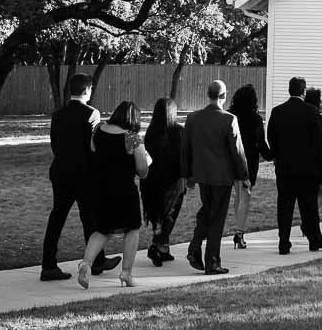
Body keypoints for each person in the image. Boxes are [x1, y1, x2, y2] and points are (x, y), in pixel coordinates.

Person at [40, 73, 118, 281]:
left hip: (61, 171)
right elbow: (94, 145)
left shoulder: (58, 114)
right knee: (90, 218)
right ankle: (97, 260)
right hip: (84, 173)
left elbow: (54, 143)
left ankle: (48, 264)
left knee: (57, 216)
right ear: (87, 90)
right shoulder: (91, 113)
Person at [77, 101, 149, 288]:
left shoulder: (98, 131)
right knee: (132, 229)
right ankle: (126, 273)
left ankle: (86, 263)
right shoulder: (131, 138)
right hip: (125, 190)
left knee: (102, 230)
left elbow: (93, 152)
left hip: (101, 188)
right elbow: (142, 169)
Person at [180, 79, 247, 275]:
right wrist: (243, 176)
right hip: (222, 176)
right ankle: (212, 262)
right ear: (224, 96)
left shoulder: (193, 118)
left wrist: (187, 174)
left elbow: (185, 149)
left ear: (208, 95)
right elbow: (237, 151)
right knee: (217, 217)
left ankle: (195, 246)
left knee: (207, 211)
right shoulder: (229, 119)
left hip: (202, 175)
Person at [266, 76, 322, 255]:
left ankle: (283, 243)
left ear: (289, 90)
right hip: (307, 168)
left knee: (285, 206)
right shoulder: (311, 112)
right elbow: (320, 141)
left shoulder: (277, 111)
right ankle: (314, 240)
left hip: (285, 167)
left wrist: (277, 154)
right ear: (303, 92)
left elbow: (271, 137)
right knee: (309, 207)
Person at [139, 97, 185, 267]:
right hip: (174, 181)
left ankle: (163, 248)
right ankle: (156, 246)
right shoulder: (179, 132)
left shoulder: (151, 132)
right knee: (170, 214)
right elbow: (183, 158)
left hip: (153, 179)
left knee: (158, 214)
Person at [228, 83, 271, 250]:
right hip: (249, 162)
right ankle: (239, 232)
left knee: (238, 194)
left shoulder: (230, 115)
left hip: (232, 160)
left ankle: (238, 229)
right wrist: (271, 155)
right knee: (245, 195)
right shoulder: (255, 119)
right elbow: (261, 143)